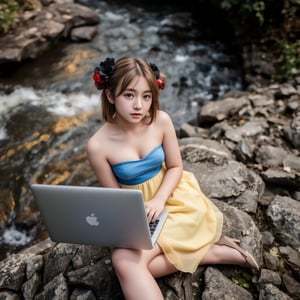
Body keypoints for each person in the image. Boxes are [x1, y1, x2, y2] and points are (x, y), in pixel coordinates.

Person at [87, 57, 259, 300]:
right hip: (138, 211)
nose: (139, 105)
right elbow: (115, 197)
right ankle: (210, 253)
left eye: (146, 96)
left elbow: (176, 166)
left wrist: (158, 200)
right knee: (126, 263)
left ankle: (210, 251)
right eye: (129, 95)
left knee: (125, 264)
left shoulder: (161, 121)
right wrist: (131, 222)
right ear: (110, 95)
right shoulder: (97, 146)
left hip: (173, 198)